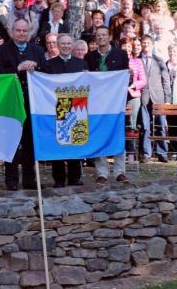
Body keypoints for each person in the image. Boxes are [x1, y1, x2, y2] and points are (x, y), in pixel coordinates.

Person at [0, 18, 42, 190]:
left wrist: (37, 67)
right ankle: (11, 180)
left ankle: (29, 180)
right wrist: (18, 69)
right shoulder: (2, 50)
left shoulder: (37, 50)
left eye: (25, 31)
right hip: (11, 103)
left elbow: (47, 72)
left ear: (29, 32)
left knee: (30, 142)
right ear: (12, 32)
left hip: (32, 103)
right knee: (11, 141)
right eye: (18, 30)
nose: (22, 33)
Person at [39, 34, 88, 188]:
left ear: (72, 45)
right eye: (63, 44)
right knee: (59, 142)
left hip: (77, 107)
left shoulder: (81, 64)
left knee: (75, 140)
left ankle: (75, 177)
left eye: (68, 43)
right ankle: (59, 179)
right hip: (57, 106)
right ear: (58, 45)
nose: (66, 46)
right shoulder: (49, 64)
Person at [85, 26, 130, 183]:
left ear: (110, 37)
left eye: (104, 35)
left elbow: (125, 77)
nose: (101, 37)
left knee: (118, 133)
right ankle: (102, 173)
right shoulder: (90, 57)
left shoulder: (121, 54)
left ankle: (119, 171)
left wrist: (128, 75)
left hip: (116, 102)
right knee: (99, 134)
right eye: (98, 35)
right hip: (97, 102)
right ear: (95, 38)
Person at [139, 35, 172, 162]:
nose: (146, 45)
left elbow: (166, 80)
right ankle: (146, 154)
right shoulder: (137, 60)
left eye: (148, 43)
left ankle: (162, 152)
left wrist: (167, 98)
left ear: (152, 45)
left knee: (161, 126)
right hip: (143, 97)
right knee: (145, 127)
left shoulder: (159, 60)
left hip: (158, 97)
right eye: (144, 43)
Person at [121, 37, 146, 161]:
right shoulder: (116, 61)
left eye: (129, 47)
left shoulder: (137, 61)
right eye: (124, 46)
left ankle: (131, 153)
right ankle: (120, 152)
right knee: (120, 124)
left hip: (133, 96)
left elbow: (143, 80)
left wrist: (133, 86)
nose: (127, 49)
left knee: (131, 124)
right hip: (118, 97)